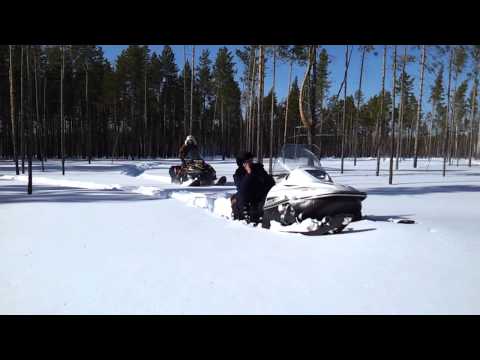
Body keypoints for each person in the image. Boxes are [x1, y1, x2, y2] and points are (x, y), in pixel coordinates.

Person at [231, 152, 275, 221]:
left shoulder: (258, 168)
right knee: (238, 198)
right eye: (248, 161)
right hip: (248, 198)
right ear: (243, 163)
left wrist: (269, 181)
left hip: (261, 194)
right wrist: (249, 174)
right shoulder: (238, 174)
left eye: (251, 160)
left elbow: (269, 181)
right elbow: (242, 189)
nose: (251, 162)